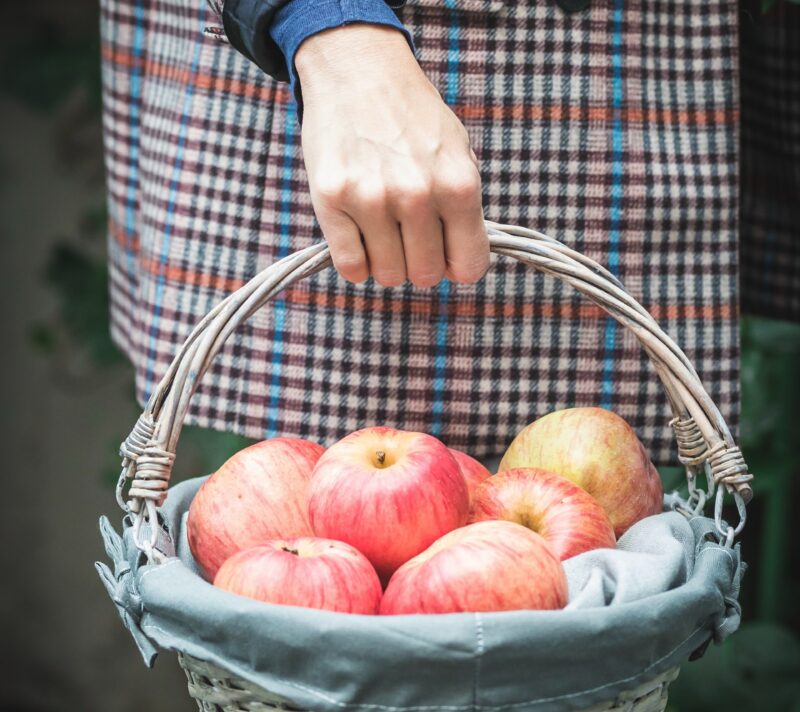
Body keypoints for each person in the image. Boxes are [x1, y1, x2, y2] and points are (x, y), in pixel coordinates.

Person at [100, 0, 746, 464]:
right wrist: (331, 27)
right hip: (343, 92)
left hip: (667, 82)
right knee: (286, 580)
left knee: (622, 550)